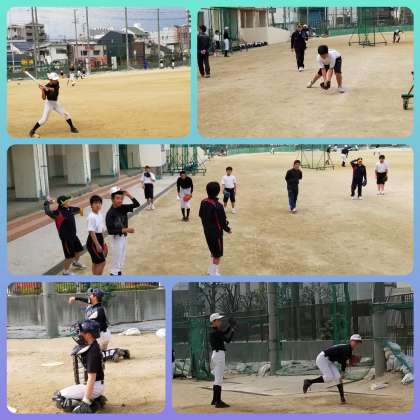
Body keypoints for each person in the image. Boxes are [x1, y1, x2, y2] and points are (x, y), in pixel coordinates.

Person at [53, 320, 106, 413]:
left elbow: (92, 378)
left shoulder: (92, 352)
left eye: (81, 332)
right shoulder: (92, 345)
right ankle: (96, 400)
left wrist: (85, 401)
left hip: (94, 387)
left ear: (88, 335)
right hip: (94, 385)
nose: (78, 334)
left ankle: (92, 405)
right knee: (58, 395)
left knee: (60, 398)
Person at [303, 334, 363, 404]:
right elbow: (343, 361)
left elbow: (341, 360)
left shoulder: (348, 349)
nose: (356, 343)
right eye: (355, 341)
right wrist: (344, 370)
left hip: (329, 360)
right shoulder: (347, 348)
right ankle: (309, 381)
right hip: (322, 358)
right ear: (351, 341)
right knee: (329, 377)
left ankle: (342, 398)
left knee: (337, 377)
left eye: (358, 342)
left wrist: (345, 366)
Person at [44, 195, 86, 275]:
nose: (69, 202)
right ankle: (66, 271)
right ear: (63, 203)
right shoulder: (58, 213)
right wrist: (47, 203)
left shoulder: (70, 208)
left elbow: (77, 209)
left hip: (74, 236)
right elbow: (47, 212)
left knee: (78, 251)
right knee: (69, 256)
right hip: (66, 238)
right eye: (67, 201)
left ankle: (75, 263)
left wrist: (80, 210)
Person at [29, 72, 79, 138]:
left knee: (66, 114)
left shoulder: (57, 83)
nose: (56, 80)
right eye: (54, 79)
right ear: (50, 80)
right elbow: (44, 98)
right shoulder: (46, 86)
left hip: (55, 103)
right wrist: (43, 90)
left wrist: (48, 88)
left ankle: (72, 128)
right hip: (49, 103)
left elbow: (54, 91)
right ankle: (32, 131)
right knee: (44, 119)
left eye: (56, 79)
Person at [199, 182, 232, 276]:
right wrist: (228, 229)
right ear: (218, 192)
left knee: (213, 251)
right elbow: (223, 222)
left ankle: (211, 271)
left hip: (207, 231)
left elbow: (201, 215)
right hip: (216, 234)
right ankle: (213, 274)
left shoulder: (203, 202)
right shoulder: (218, 206)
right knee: (217, 254)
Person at [105, 187, 140, 275]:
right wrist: (126, 229)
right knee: (116, 263)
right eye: (117, 198)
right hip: (115, 239)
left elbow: (137, 204)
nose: (120, 201)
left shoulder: (123, 207)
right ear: (112, 199)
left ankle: (119, 274)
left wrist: (128, 195)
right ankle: (114, 275)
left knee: (121, 260)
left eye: (121, 198)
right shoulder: (110, 213)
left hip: (123, 237)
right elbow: (110, 231)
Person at [209, 313, 235, 408]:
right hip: (219, 355)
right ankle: (218, 402)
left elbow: (223, 333)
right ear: (214, 321)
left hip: (216, 355)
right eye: (218, 320)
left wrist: (229, 327)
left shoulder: (214, 331)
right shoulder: (216, 332)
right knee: (219, 379)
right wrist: (232, 331)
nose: (220, 321)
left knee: (217, 378)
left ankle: (214, 400)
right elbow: (227, 340)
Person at [86, 195, 107, 275]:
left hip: (99, 238)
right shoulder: (91, 217)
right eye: (95, 203)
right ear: (91, 205)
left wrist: (103, 242)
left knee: (95, 262)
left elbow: (101, 230)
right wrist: (97, 245)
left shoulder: (99, 214)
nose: (98, 205)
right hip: (93, 242)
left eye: (99, 203)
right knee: (102, 262)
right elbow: (91, 232)